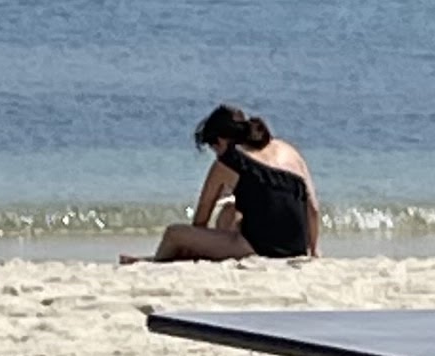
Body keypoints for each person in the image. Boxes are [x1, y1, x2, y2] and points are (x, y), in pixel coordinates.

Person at [130, 104, 322, 264]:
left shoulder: (228, 163)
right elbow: (313, 208)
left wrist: (199, 244)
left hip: (260, 248)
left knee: (174, 234)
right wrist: (313, 249)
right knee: (229, 212)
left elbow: (201, 220)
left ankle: (154, 263)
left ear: (221, 141)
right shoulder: (289, 151)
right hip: (297, 247)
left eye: (213, 147)